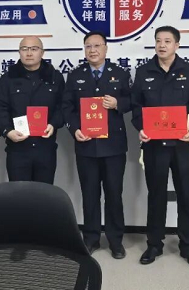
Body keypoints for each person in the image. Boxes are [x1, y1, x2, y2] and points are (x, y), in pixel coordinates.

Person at [131, 26, 189, 268]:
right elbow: (136, 107)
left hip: (182, 144)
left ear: (177, 45)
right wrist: (140, 127)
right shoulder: (143, 72)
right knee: (156, 195)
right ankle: (154, 244)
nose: (162, 45)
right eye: (158, 41)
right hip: (154, 145)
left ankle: (188, 245)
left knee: (185, 194)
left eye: (167, 41)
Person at [63, 31, 131, 258]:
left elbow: (133, 101)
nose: (92, 50)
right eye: (88, 46)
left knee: (114, 194)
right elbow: (67, 108)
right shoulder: (75, 76)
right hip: (86, 144)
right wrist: (75, 129)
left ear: (106, 48)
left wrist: (118, 103)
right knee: (90, 194)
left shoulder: (120, 74)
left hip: (113, 146)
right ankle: (91, 238)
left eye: (97, 46)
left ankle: (115, 240)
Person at [0, 36, 64, 184]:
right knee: (19, 194)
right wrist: (7, 131)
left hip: (45, 148)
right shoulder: (8, 78)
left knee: (44, 193)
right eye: (24, 49)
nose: (29, 53)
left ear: (42, 52)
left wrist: (54, 124)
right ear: (19, 52)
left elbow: (62, 106)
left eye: (34, 49)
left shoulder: (54, 77)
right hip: (18, 148)